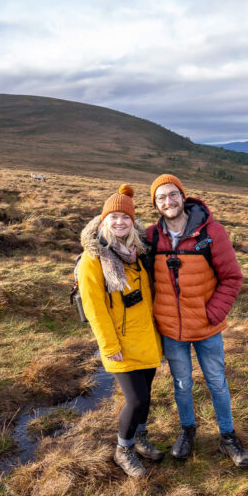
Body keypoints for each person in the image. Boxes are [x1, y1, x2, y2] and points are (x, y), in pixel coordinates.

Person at [146, 174, 248, 467]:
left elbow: (232, 277)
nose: (168, 201)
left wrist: (213, 314)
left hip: (207, 328)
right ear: (155, 204)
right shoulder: (151, 237)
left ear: (183, 197)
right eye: (161, 198)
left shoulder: (211, 232)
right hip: (171, 330)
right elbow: (115, 242)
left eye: (172, 195)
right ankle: (187, 431)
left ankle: (228, 437)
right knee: (181, 384)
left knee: (217, 383)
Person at [77, 184, 164, 478]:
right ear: (104, 221)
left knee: (147, 394)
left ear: (133, 221)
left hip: (147, 339)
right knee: (136, 399)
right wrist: (108, 344)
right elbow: (94, 308)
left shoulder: (138, 252)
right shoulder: (93, 259)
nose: (119, 222)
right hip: (119, 343)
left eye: (125, 217)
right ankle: (123, 450)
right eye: (113, 217)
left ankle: (139, 438)